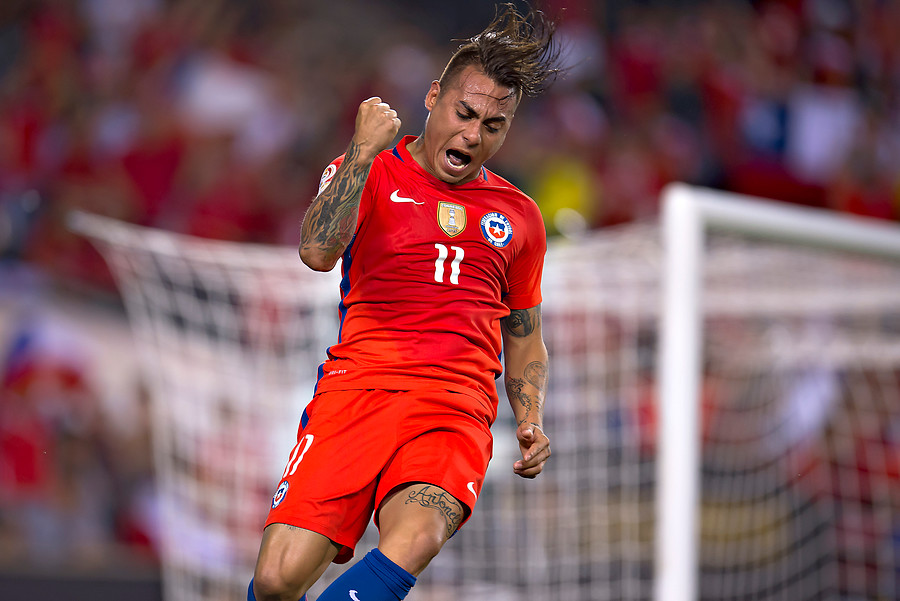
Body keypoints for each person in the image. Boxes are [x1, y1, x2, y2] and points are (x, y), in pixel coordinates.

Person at [250, 4, 559, 600]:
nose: (473, 135)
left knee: (416, 536)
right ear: (433, 96)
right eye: (464, 114)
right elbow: (316, 252)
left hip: (453, 408)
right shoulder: (368, 170)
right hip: (357, 390)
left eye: (493, 126)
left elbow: (524, 333)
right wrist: (361, 153)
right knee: (276, 581)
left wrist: (529, 419)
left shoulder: (520, 217)